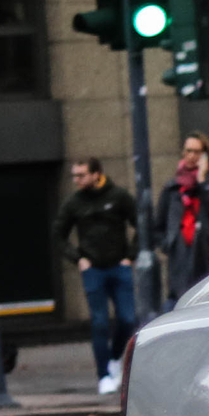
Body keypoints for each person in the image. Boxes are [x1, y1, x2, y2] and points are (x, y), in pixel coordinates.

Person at [55, 157, 138, 395]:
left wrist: (129, 256)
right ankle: (103, 375)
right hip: (93, 270)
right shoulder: (74, 203)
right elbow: (58, 234)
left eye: (81, 175)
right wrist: (77, 258)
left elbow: (140, 223)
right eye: (74, 175)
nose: (76, 180)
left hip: (118, 266)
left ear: (96, 174)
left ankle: (114, 357)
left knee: (127, 319)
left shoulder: (118, 196)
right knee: (99, 323)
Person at [154, 133, 209, 305]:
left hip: (208, 259)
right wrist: (170, 244)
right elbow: (159, 225)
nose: (191, 156)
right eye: (188, 151)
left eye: (197, 152)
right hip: (181, 263)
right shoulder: (173, 188)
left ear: (205, 155)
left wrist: (202, 181)